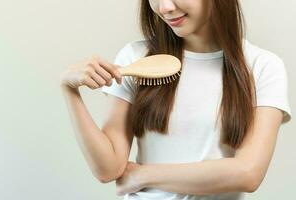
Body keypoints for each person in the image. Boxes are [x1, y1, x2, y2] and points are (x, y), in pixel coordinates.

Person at [60, 0, 292, 199]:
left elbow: (248, 173)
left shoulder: (262, 67)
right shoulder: (136, 58)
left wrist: (142, 175)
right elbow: (108, 169)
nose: (164, 7)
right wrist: (70, 90)